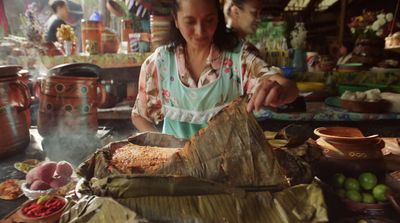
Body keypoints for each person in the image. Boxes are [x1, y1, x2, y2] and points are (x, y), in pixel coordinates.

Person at [131, 0, 298, 139]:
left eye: (208, 20)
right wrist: (164, 144)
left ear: (218, 18)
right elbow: (139, 115)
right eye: (190, 21)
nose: (200, 31)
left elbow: (287, 86)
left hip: (230, 172)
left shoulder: (238, 59)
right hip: (176, 172)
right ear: (175, 19)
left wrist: (280, 90)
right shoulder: (160, 64)